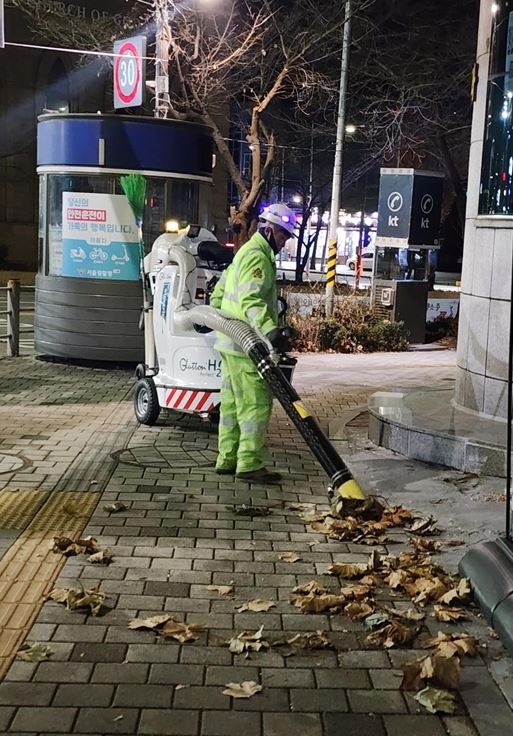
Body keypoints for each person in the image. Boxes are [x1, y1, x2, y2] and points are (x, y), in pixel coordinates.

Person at [209, 203, 296, 483]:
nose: (284, 243)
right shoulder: (258, 256)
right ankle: (248, 463)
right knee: (255, 405)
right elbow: (251, 300)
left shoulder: (244, 251)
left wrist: (217, 316)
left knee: (232, 405)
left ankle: (227, 458)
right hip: (246, 348)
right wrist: (271, 331)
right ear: (270, 231)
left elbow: (220, 290)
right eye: (283, 236)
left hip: (229, 343)